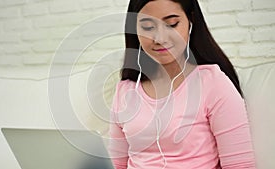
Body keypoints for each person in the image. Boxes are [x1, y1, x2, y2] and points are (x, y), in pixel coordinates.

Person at [108, 0, 256, 168]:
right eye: (148, 28)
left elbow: (240, 166)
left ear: (190, 21)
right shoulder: (125, 90)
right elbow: (116, 165)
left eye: (172, 24)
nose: (160, 38)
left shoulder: (212, 83)